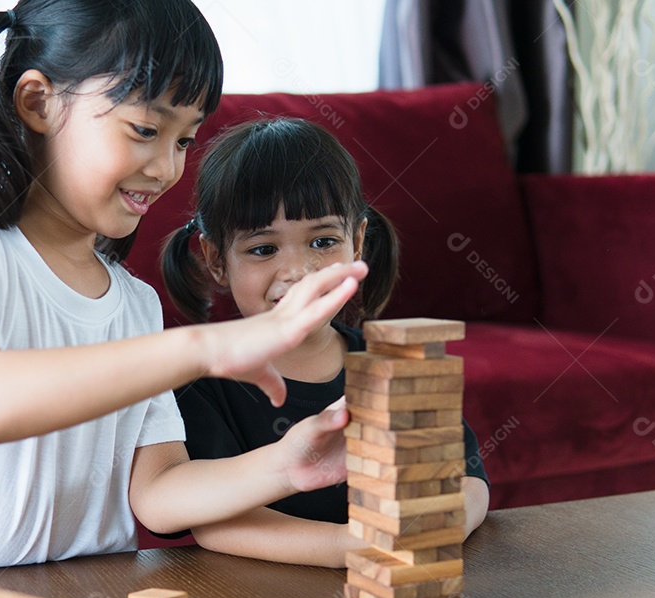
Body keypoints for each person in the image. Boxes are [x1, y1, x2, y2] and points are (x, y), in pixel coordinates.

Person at [0, 0, 369, 572]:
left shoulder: (136, 305)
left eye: (184, 141)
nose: (168, 168)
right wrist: (204, 349)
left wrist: (286, 463)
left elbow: (159, 491)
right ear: (38, 102)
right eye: (146, 129)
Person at [158, 118, 490, 568]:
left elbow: (468, 480)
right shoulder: (202, 381)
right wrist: (348, 547)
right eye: (263, 249)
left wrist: (435, 528)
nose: (299, 271)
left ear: (356, 243)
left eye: (322, 241)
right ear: (216, 259)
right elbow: (217, 523)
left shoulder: (389, 364)